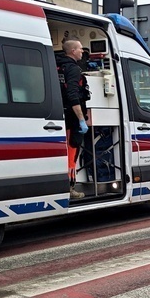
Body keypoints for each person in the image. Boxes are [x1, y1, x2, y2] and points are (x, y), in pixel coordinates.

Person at [57, 38, 91, 199]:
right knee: (71, 155)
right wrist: (81, 119)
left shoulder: (57, 66)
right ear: (72, 51)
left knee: (64, 154)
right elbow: (73, 95)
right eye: (80, 49)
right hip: (72, 119)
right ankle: (69, 188)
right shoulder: (73, 69)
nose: (82, 51)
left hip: (61, 116)